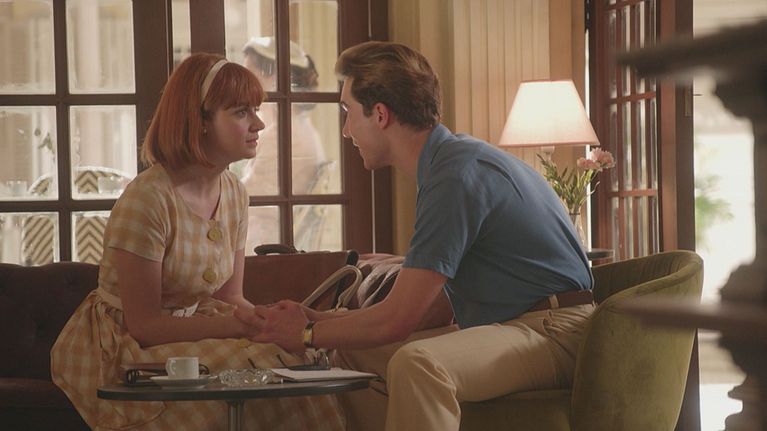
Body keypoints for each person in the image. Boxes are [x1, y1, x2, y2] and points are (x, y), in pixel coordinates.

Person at [235, 41, 596, 431]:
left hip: (553, 331)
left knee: (420, 365)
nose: (345, 130)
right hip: (515, 325)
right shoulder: (448, 164)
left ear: (380, 114)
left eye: (347, 112)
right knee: (354, 353)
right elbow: (424, 306)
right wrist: (321, 321)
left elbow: (398, 319)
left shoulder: (454, 176)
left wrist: (306, 332)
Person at [50, 53, 344, 431]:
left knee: (286, 357)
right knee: (247, 368)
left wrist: (263, 320)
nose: (258, 124)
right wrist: (239, 328)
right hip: (123, 344)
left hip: (192, 326)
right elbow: (145, 326)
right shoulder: (148, 199)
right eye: (241, 112)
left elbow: (229, 298)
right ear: (200, 120)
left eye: (255, 110)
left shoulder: (234, 192)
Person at [239, 37, 327, 251]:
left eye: (249, 74)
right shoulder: (299, 129)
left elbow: (242, 200)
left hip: (264, 247)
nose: (243, 85)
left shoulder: (284, 137)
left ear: (274, 77)